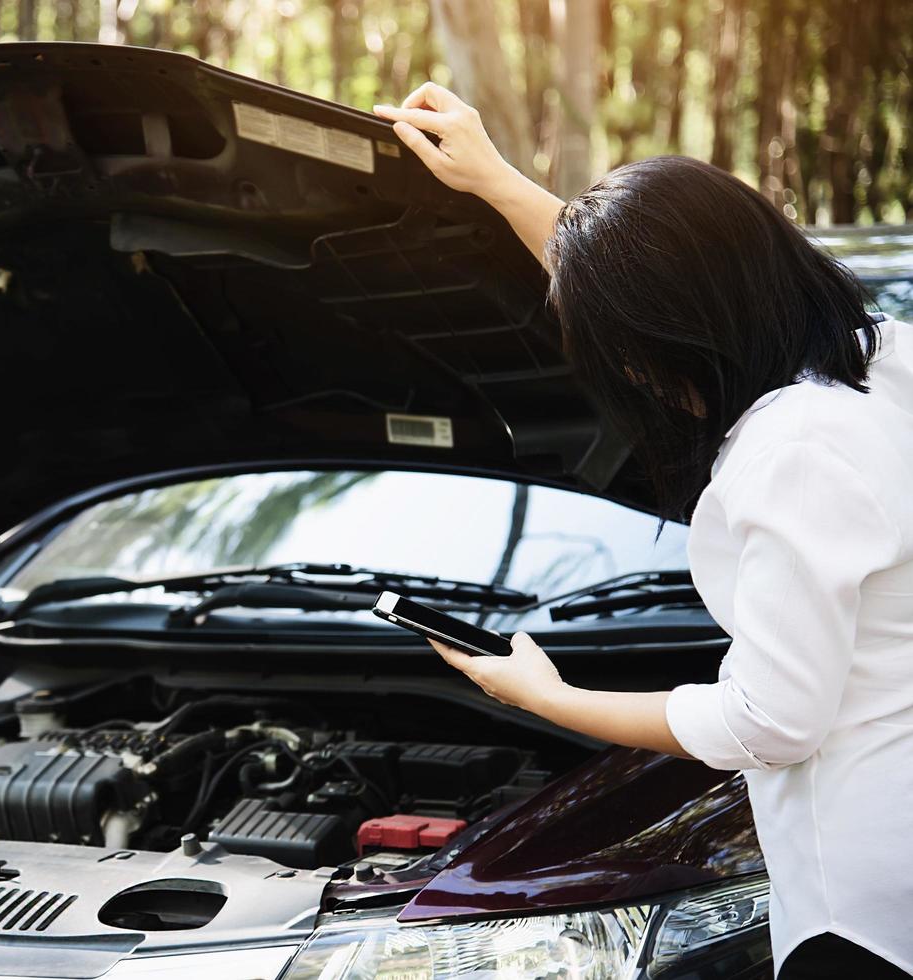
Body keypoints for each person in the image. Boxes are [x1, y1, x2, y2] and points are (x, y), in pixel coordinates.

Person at [373, 84, 913, 980]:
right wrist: (502, 184)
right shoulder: (882, 360)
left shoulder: (792, 452)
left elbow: (771, 720)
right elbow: (682, 275)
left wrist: (542, 696)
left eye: (618, 348)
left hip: (855, 913)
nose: (625, 372)